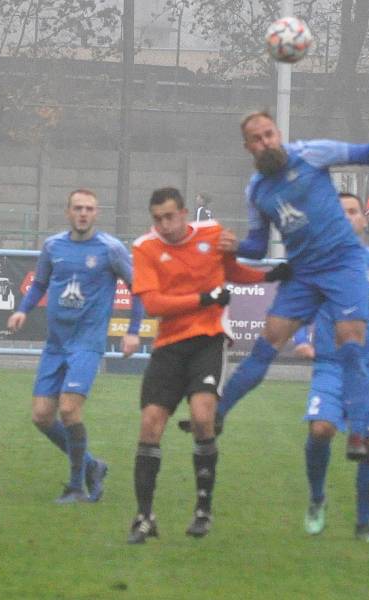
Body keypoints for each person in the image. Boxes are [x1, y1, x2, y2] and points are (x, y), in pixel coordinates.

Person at [214, 110, 369, 460]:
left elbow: (366, 152)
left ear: (278, 133)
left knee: (350, 344)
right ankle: (218, 415)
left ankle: (357, 432)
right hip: (303, 272)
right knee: (267, 345)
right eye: (257, 138)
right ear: (247, 146)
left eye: (269, 133)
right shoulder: (256, 190)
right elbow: (257, 245)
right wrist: (234, 246)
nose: (266, 142)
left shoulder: (313, 153)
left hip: (343, 265)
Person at [126, 187, 290, 544]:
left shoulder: (213, 235)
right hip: (169, 345)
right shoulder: (145, 248)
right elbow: (153, 304)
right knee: (150, 424)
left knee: (203, 417)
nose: (164, 225)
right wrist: (204, 297)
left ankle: (203, 509)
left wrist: (268, 276)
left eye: (170, 216)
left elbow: (232, 271)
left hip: (208, 339)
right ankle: (144, 516)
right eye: (157, 219)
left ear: (184, 213)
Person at [7, 188, 144, 503]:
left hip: (87, 343)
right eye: (78, 208)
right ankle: (92, 466)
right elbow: (40, 282)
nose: (84, 213)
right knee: (42, 416)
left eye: (89, 209)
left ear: (97, 213)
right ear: (68, 212)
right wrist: (22, 310)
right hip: (56, 345)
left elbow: (138, 288)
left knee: (69, 409)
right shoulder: (53, 246)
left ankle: (76, 487)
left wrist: (133, 331)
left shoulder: (110, 249)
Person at [294, 192, 369, 544]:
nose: (348, 217)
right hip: (331, 365)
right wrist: (301, 337)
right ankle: (316, 498)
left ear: (361, 219)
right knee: (321, 429)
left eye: (353, 212)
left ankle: (363, 525)